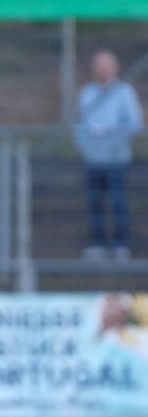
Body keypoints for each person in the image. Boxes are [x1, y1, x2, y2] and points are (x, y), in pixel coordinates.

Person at [74, 50, 145, 261]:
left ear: (115, 68)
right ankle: (96, 243)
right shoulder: (87, 93)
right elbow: (78, 124)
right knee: (95, 202)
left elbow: (134, 124)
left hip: (117, 158)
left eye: (106, 65)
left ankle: (120, 244)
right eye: (99, 65)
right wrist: (87, 144)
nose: (102, 70)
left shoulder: (124, 92)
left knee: (118, 201)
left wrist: (112, 134)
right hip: (93, 158)